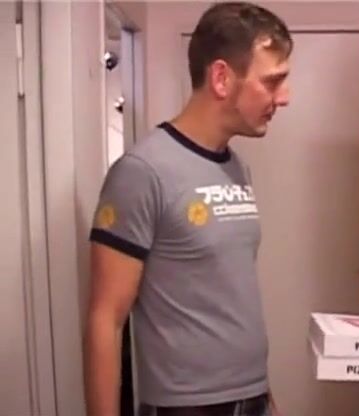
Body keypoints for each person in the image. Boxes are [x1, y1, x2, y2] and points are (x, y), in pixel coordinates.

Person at [82, 3, 292, 416]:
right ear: (221, 78)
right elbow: (105, 320)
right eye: (272, 82)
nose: (284, 97)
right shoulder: (142, 172)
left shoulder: (236, 167)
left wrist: (263, 396)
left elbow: (228, 292)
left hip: (251, 399)